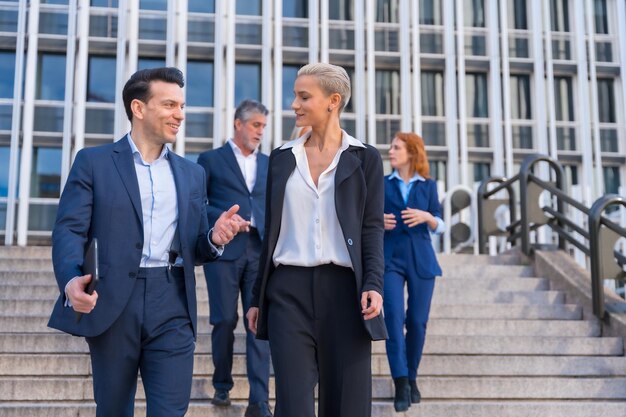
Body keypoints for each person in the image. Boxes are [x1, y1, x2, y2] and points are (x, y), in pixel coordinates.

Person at [48, 67, 245, 417]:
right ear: (139, 109)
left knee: (170, 411)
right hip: (111, 301)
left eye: (182, 105)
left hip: (172, 301)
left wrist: (214, 238)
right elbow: (69, 230)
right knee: (113, 409)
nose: (180, 114)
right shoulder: (93, 163)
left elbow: (196, 244)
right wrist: (70, 278)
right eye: (169, 104)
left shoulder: (192, 173)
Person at [246, 63, 387, 417]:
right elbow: (272, 232)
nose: (294, 104)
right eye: (295, 95)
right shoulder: (281, 158)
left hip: (345, 291)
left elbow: (371, 228)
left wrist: (374, 283)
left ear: (333, 101)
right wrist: (256, 297)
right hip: (287, 292)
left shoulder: (364, 158)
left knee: (347, 404)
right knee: (292, 405)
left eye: (303, 96)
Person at [196, 99, 272, 417]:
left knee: (259, 324)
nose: (260, 132)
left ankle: (259, 399)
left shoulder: (270, 163)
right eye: (256, 125)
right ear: (238, 124)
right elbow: (199, 203)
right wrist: (223, 220)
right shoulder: (210, 159)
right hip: (225, 252)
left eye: (263, 127)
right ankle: (222, 382)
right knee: (225, 320)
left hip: (260, 250)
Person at [382, 132, 445, 412]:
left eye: (396, 147)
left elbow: (440, 221)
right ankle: (401, 381)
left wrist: (427, 217)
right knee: (393, 319)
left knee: (417, 322)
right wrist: (376, 220)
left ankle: (412, 376)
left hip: (421, 259)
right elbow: (366, 218)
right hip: (390, 259)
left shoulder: (429, 186)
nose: (391, 151)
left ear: (411, 153)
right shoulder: (381, 185)